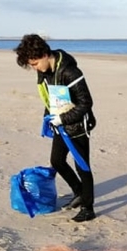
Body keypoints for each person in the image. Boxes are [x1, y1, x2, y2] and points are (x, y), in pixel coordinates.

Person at [14, 34, 97, 222]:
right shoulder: (44, 72)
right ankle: (79, 192)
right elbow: (51, 97)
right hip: (60, 123)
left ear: (44, 54)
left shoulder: (70, 72)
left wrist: (63, 118)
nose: (34, 68)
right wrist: (49, 117)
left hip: (78, 126)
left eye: (34, 63)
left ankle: (88, 208)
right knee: (57, 161)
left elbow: (86, 103)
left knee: (82, 166)